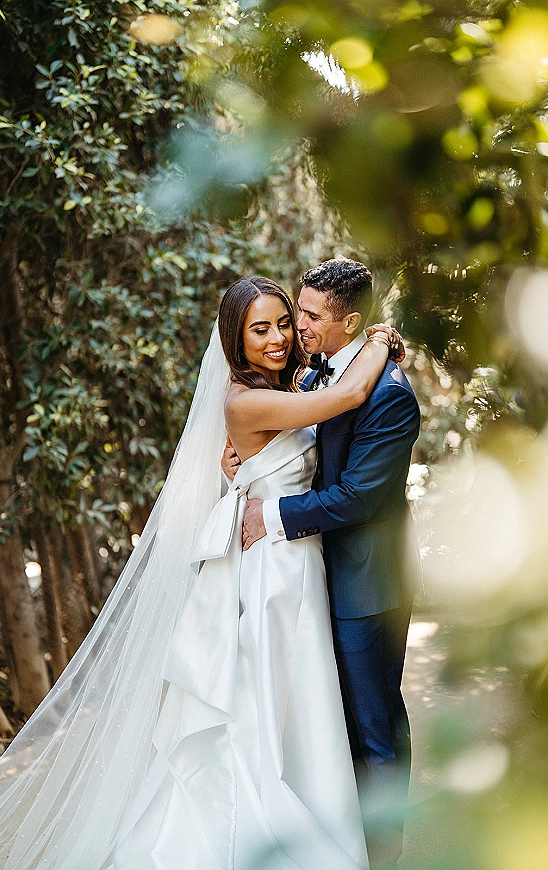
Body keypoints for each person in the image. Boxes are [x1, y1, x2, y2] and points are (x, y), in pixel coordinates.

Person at [0, 275, 398, 870]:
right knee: (262, 705)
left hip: (295, 559)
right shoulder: (247, 400)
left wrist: (240, 469)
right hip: (271, 570)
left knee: (297, 704)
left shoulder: (291, 382)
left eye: (283, 323)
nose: (279, 337)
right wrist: (380, 338)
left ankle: (310, 814)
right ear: (235, 340)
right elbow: (343, 401)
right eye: (261, 329)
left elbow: (305, 436)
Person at [241, 260, 420, 869]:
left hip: (368, 584)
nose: (300, 329)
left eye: (313, 317)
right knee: (331, 721)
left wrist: (275, 513)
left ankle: (386, 855)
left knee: (374, 730)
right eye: (301, 311)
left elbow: (359, 497)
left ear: (352, 323)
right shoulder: (318, 371)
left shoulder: (390, 396)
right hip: (318, 576)